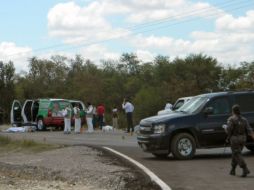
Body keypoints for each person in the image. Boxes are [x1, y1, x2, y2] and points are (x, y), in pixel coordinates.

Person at [226, 104, 254, 177]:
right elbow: (249, 129)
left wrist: (225, 129)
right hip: (243, 139)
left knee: (237, 154)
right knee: (236, 154)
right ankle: (233, 169)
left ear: (233, 111)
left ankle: (245, 168)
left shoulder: (231, 119)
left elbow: (229, 130)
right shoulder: (244, 119)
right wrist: (252, 135)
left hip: (235, 139)